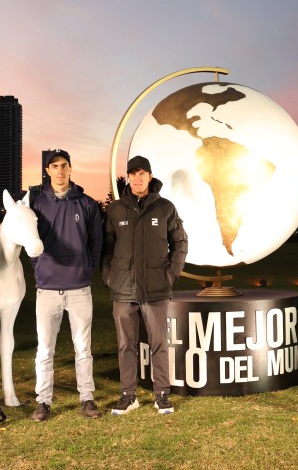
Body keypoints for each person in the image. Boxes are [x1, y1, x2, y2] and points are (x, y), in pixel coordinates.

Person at [103, 155, 187, 415]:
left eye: (142, 174)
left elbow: (180, 244)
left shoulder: (165, 208)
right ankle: (128, 396)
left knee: (159, 343)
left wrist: (170, 275)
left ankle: (162, 394)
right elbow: (105, 247)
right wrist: (108, 276)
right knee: (125, 345)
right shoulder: (116, 209)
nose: (138, 178)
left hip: (156, 290)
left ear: (150, 176)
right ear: (128, 177)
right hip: (123, 290)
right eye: (133, 174)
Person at [29, 150, 104, 421]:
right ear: (47, 171)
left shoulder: (86, 203)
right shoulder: (37, 204)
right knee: (45, 349)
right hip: (47, 289)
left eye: (64, 166)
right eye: (55, 166)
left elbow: (96, 244)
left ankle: (87, 398)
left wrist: (85, 269)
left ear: (71, 169)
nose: (60, 171)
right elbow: (31, 245)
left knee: (83, 348)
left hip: (79, 289)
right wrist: (42, 270)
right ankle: (43, 401)